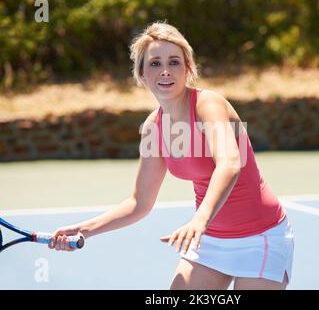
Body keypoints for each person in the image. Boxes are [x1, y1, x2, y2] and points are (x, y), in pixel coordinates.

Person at [49, 21, 294, 290]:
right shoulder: (154, 127)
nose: (165, 71)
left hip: (259, 237)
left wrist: (199, 220)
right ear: (141, 73)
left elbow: (230, 165)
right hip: (210, 241)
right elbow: (139, 203)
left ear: (187, 68)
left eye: (174, 62)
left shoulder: (208, 105)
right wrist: (84, 229)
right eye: (155, 63)